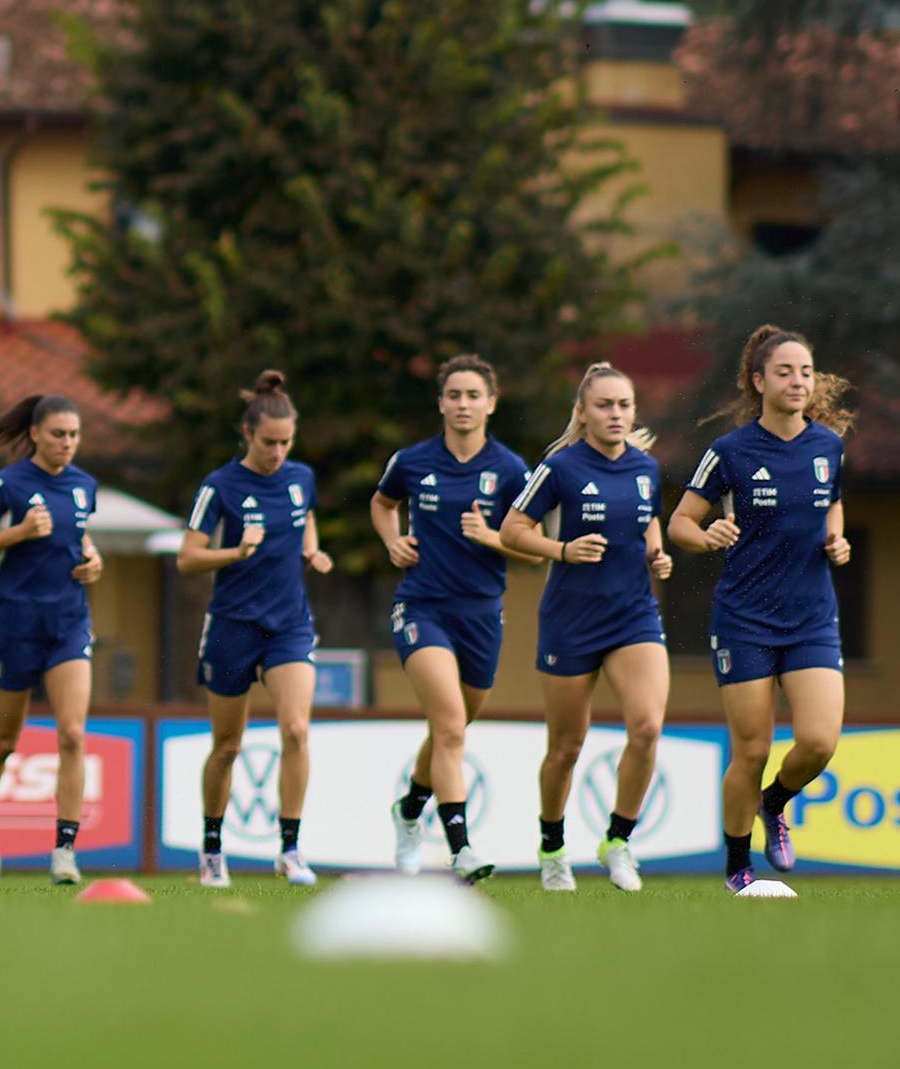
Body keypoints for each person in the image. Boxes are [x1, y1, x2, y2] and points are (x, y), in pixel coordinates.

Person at [670, 327, 855, 892]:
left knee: (820, 742)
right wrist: (707, 537)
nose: (797, 380)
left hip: (811, 617)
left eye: (805, 371)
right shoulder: (730, 452)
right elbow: (678, 524)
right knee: (750, 749)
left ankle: (775, 802)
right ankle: (736, 866)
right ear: (759, 381)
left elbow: (834, 504)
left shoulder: (828, 446)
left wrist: (836, 538)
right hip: (745, 618)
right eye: (784, 372)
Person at [498, 363, 671, 892]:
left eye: (623, 405)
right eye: (604, 405)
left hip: (633, 617)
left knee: (646, 727)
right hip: (570, 622)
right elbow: (511, 530)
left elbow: (648, 516)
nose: (615, 414)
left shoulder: (647, 468)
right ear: (583, 412)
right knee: (567, 746)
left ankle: (618, 840)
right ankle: (552, 847)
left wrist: (657, 551)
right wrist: (562, 550)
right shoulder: (561, 468)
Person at [370, 355, 522, 886]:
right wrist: (392, 541)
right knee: (451, 727)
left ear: (491, 403)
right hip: (422, 608)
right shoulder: (412, 461)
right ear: (440, 403)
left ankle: (409, 808)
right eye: (453, 395)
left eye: (473, 395)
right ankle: (460, 849)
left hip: (481, 615)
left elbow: (532, 546)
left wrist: (495, 538)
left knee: (451, 727)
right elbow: (382, 503)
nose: (463, 404)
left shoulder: (510, 470)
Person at [178, 372, 333, 890]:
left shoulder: (301, 477)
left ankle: (289, 850)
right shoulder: (219, 486)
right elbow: (187, 558)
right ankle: (213, 849)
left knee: (296, 730)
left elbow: (305, 516)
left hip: (289, 624)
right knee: (228, 745)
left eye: (286, 442)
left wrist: (312, 547)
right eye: (269, 442)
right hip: (233, 625)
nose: (278, 452)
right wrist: (235, 551)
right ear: (248, 433)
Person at [0, 393, 102, 887]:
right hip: (15, 625)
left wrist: (92, 557)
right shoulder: (8, 484)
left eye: (74, 435)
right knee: (3, 742)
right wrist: (15, 533)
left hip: (68, 625)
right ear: (36, 434)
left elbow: (76, 536)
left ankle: (63, 850)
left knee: (73, 735)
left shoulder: (85, 487)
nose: (68, 443)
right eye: (59, 434)